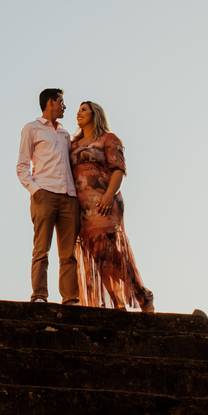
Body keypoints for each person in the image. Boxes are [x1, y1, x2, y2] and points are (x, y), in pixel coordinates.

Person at [70, 101, 154, 312]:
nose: (78, 113)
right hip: (82, 208)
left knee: (109, 251)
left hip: (105, 201)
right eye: (79, 109)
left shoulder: (109, 139)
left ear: (95, 114)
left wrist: (108, 195)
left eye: (84, 109)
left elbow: (118, 169)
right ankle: (118, 304)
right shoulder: (73, 144)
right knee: (100, 256)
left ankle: (141, 294)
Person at [16, 88, 80, 304]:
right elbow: (22, 166)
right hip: (44, 195)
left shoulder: (65, 134)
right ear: (50, 102)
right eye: (61, 102)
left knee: (69, 254)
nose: (64, 106)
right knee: (41, 249)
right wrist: (36, 191)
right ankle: (40, 296)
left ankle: (71, 299)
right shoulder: (31, 129)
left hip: (69, 197)